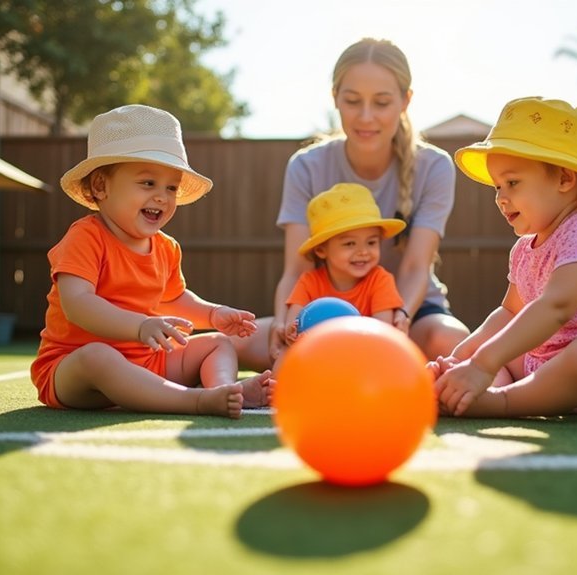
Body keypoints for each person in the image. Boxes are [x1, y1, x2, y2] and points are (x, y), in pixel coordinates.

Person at [233, 37, 470, 371]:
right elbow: (297, 268)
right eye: (353, 101)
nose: (366, 116)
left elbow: (416, 267)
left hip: (409, 315)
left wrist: (395, 321)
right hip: (322, 313)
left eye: (382, 102)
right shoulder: (306, 166)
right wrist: (284, 323)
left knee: (457, 346)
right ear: (335, 99)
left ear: (405, 101)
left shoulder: (434, 166)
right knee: (227, 342)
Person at [30, 104, 274, 418]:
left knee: (218, 343)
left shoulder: (166, 247)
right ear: (100, 186)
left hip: (146, 362)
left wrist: (213, 315)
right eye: (148, 183)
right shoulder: (86, 237)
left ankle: (224, 390)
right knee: (98, 357)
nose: (162, 196)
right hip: (73, 370)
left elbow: (173, 299)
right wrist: (140, 326)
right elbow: (78, 304)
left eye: (171, 187)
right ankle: (194, 401)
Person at [431, 97, 577, 418]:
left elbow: (557, 306)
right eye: (497, 186)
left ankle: (501, 402)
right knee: (498, 350)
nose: (501, 197)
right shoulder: (525, 248)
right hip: (543, 361)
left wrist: (484, 363)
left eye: (512, 183)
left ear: (565, 179)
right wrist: (463, 359)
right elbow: (508, 312)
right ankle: (464, 389)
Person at [284, 182, 406, 343]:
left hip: (363, 352)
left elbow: (383, 333)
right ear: (321, 250)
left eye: (371, 243)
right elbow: (293, 324)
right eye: (349, 244)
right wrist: (292, 334)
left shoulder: (381, 281)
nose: (363, 251)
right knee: (285, 354)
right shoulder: (309, 282)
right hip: (317, 351)